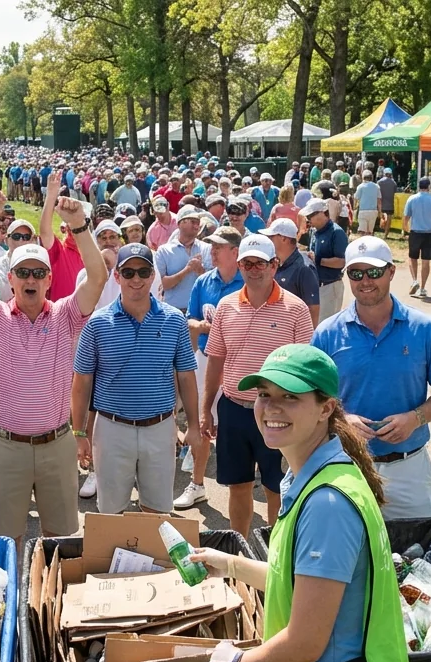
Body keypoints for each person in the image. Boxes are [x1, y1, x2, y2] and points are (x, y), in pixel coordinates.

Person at [190, 344, 412, 662]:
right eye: (264, 394)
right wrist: (230, 565)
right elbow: (304, 583)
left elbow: (305, 642)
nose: (272, 407)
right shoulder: (319, 474)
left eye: (290, 397)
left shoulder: (327, 502)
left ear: (326, 408)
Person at [0, 189, 107, 545]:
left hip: (57, 444)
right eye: (22, 272)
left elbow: (97, 279)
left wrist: (79, 228)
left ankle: (47, 600)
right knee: (8, 540)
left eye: (39, 273)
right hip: (8, 447)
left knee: (60, 539)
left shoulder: (66, 316)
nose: (31, 279)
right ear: (10, 279)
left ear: (50, 280)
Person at [311, 237, 431, 519]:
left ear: (391, 272)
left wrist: (416, 418)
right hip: (345, 465)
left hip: (408, 470)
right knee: (349, 556)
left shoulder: (424, 328)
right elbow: (311, 399)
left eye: (374, 272)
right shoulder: (327, 333)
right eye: (356, 273)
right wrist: (340, 421)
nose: (365, 280)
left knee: (416, 551)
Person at [72, 243, 198, 515]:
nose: (136, 279)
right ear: (116, 276)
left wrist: (195, 426)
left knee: (157, 512)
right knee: (111, 513)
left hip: (160, 428)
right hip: (112, 429)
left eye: (143, 271)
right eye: (128, 272)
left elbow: (186, 377)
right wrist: (79, 432)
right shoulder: (97, 323)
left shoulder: (175, 321)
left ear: (153, 275)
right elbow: (82, 382)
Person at [203, 234, 314, 536]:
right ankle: (241, 545)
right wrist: (206, 409)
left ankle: (276, 547)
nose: (254, 269)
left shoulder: (296, 308)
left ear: (274, 265)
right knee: (237, 485)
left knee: (276, 488)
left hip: (277, 412)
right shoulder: (226, 306)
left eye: (260, 263)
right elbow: (215, 360)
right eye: (247, 263)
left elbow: (306, 368)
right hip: (234, 409)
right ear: (240, 266)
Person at [177, 226, 246, 510]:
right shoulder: (204, 281)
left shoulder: (247, 283)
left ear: (235, 252)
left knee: (237, 428)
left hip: (240, 364)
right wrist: (202, 326)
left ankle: (241, 490)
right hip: (207, 359)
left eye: (219, 247)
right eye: (212, 247)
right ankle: (197, 484)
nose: (212, 252)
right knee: (201, 421)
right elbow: (190, 319)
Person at [261, 218, 321, 325]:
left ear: (283, 239)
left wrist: (307, 340)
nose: (268, 240)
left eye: (271, 237)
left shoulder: (305, 268)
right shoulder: (275, 263)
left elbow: (313, 309)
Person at [155, 205, 211, 313]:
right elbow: (161, 285)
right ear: (180, 223)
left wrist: (200, 270)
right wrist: (187, 270)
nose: (196, 226)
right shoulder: (164, 251)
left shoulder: (207, 248)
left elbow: (213, 283)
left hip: (199, 313)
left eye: (198, 223)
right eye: (193, 222)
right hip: (172, 312)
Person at [302, 199, 347, 319]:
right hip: (315, 286)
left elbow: (341, 262)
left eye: (310, 215)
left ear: (323, 213)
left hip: (330, 286)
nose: (308, 219)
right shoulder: (314, 231)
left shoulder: (336, 232)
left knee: (327, 326)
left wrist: (318, 260)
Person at [402, 178, 431, 299]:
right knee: (426, 261)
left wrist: (406, 230)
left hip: (415, 232)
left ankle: (415, 280)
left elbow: (406, 217)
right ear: (429, 187)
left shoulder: (412, 198)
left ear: (419, 186)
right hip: (429, 233)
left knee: (412, 258)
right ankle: (423, 288)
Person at [354, 171, 380, 235]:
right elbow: (379, 200)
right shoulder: (376, 186)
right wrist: (380, 211)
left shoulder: (360, 186)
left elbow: (356, 198)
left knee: (362, 232)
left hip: (363, 211)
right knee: (370, 232)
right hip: (373, 211)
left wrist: (354, 207)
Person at [377, 168, 398, 237]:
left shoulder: (379, 182)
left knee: (382, 218)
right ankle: (386, 234)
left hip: (381, 204)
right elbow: (395, 192)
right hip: (390, 204)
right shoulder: (394, 183)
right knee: (389, 220)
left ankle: (381, 228)